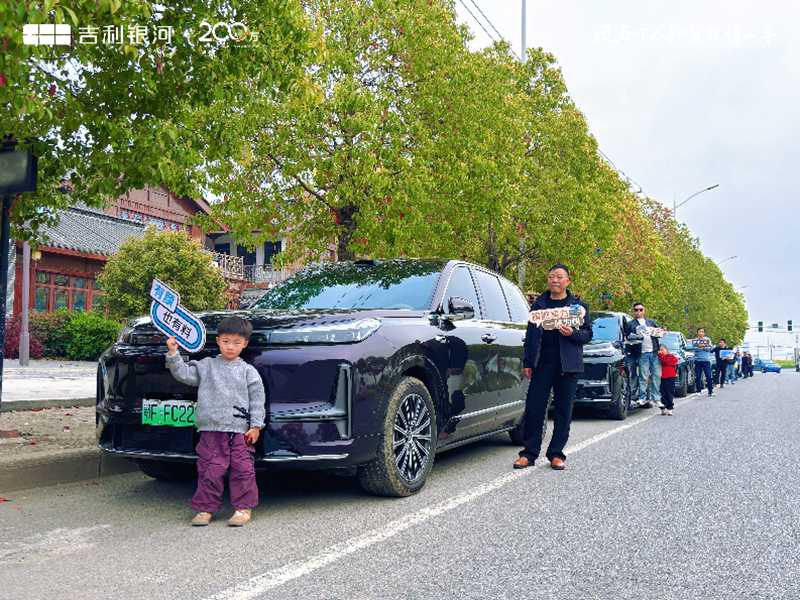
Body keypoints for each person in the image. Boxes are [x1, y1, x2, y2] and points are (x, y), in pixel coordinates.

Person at [165, 316, 266, 527]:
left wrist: (256, 426)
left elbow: (257, 400)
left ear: (245, 343)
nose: (230, 347)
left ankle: (243, 508)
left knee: (243, 470)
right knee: (209, 470)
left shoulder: (248, 371)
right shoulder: (207, 365)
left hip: (240, 432)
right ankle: (205, 508)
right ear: (218, 340)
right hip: (210, 430)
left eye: (237, 342)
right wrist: (174, 353)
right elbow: (184, 374)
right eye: (226, 341)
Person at [513, 263, 593, 471]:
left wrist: (573, 334)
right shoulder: (539, 305)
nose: (554, 280)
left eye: (559, 277)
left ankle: (556, 454)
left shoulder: (578, 307)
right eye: (551, 277)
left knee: (563, 410)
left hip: (568, 365)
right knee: (534, 408)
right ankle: (529, 453)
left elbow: (588, 334)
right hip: (542, 364)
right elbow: (530, 336)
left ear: (567, 281)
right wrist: (528, 362)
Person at [624, 302, 662, 408]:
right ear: (633, 311)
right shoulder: (630, 324)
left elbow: (659, 334)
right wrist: (634, 337)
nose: (638, 312)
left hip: (654, 352)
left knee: (656, 376)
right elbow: (627, 338)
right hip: (642, 353)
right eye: (636, 310)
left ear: (644, 311)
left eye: (641, 309)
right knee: (643, 377)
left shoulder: (651, 322)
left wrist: (661, 332)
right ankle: (642, 398)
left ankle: (656, 399)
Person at [688, 327, 714, 396]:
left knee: (708, 376)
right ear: (697, 333)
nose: (701, 333)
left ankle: (710, 391)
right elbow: (690, 348)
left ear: (704, 333)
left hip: (706, 361)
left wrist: (704, 347)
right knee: (698, 377)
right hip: (698, 361)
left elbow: (711, 348)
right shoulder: (695, 340)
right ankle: (698, 391)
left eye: (702, 332)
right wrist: (698, 347)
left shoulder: (707, 340)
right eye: (700, 331)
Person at [657, 345, 678, 416]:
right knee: (662, 393)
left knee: (669, 393)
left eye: (662, 350)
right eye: (659, 350)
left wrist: (660, 355)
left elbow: (666, 362)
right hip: (661, 377)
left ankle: (670, 409)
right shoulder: (658, 357)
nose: (661, 351)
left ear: (666, 350)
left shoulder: (670, 356)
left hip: (670, 377)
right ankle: (662, 408)